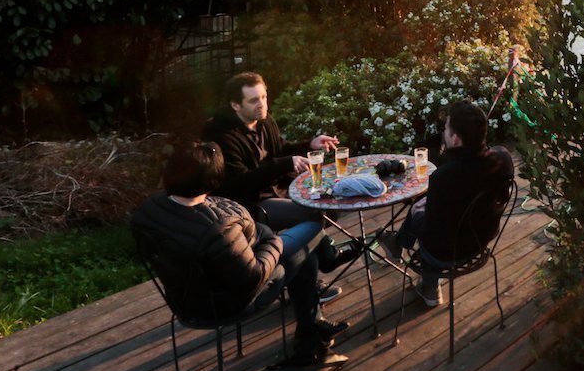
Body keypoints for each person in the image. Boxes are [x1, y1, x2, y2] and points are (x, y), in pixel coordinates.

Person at [130, 142, 347, 362]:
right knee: (309, 233)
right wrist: (272, 242)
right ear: (213, 179)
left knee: (296, 244)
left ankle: (312, 326)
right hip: (227, 303)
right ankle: (310, 328)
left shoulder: (150, 210)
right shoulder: (217, 228)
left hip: (184, 298)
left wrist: (258, 234)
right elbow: (254, 276)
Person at [202, 71, 358, 300]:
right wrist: (284, 164)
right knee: (308, 214)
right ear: (235, 105)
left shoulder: (263, 120)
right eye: (254, 100)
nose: (262, 104)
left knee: (326, 197)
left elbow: (280, 148)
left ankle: (318, 269)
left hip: (279, 189)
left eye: (264, 97)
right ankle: (313, 280)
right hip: (251, 204)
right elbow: (239, 184)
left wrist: (309, 144)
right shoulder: (222, 137)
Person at [382, 100, 515, 307]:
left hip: (444, 255)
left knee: (419, 205)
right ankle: (399, 246)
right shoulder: (503, 159)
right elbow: (491, 153)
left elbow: (433, 235)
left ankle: (416, 266)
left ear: (455, 138)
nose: (443, 132)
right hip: (482, 241)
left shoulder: (443, 178)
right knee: (438, 211)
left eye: (446, 128)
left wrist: (418, 207)